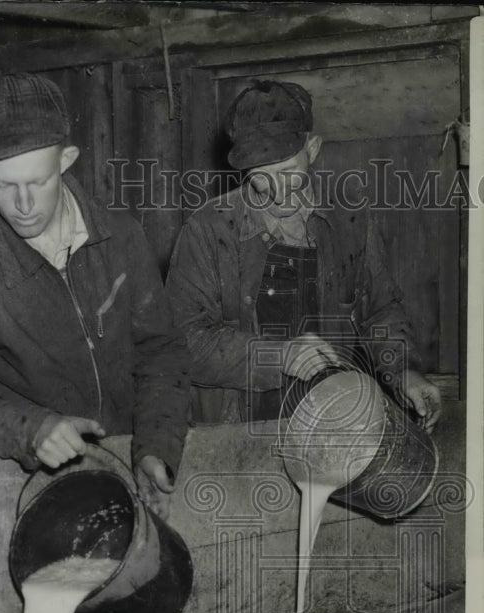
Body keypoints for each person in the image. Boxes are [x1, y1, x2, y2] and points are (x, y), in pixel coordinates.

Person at [0, 73, 190, 519]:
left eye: (38, 181)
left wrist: (156, 446)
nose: (24, 205)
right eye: (4, 185)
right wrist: (30, 430)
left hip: (131, 465)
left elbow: (160, 354)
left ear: (66, 159)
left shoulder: (122, 237)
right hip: (33, 489)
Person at [166, 80, 442, 430]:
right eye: (259, 179)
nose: (278, 193)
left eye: (288, 173)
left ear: (312, 149)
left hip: (332, 416)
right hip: (236, 424)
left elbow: (381, 310)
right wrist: (277, 356)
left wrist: (402, 369)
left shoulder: (349, 218)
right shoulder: (208, 229)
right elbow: (180, 340)